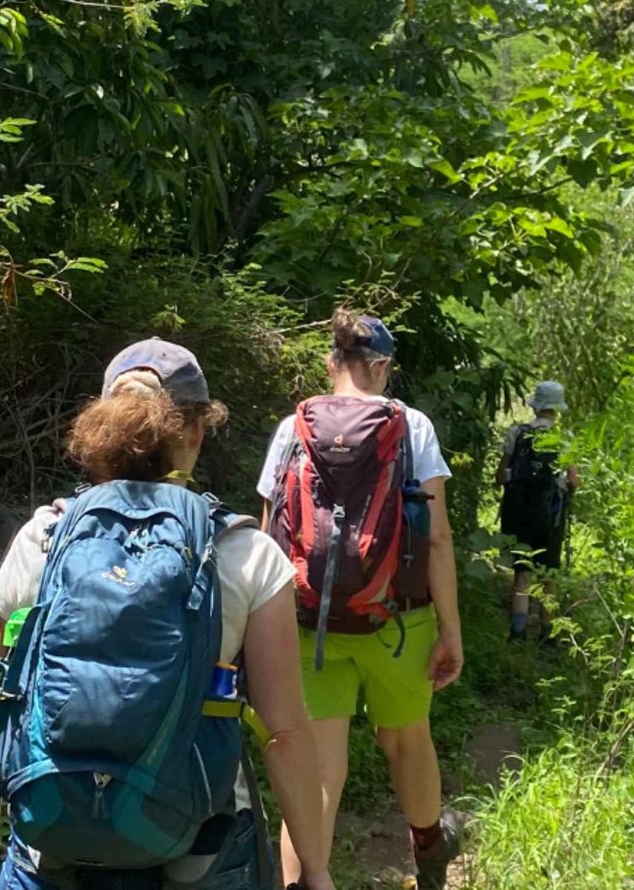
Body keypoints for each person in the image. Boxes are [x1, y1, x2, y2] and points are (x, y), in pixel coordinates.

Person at [0, 338, 336, 890]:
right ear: (196, 432)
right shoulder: (245, 553)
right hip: (201, 844)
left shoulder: (42, 539)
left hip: (52, 842)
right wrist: (314, 870)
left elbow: (7, 696)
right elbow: (286, 733)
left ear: (102, 423)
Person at [257, 310, 465, 890]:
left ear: (332, 363)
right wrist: (450, 628)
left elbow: (269, 531)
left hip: (308, 624)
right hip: (398, 617)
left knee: (317, 769)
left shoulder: (291, 428)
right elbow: (438, 536)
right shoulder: (411, 426)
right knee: (405, 739)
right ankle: (428, 848)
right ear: (381, 367)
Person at [496, 380, 580, 643]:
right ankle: (549, 635)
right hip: (551, 517)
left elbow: (500, 477)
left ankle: (518, 631)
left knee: (522, 573)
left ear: (536, 405)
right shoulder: (564, 439)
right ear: (557, 409)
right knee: (548, 576)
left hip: (519, 515)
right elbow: (574, 481)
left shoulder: (517, 433)